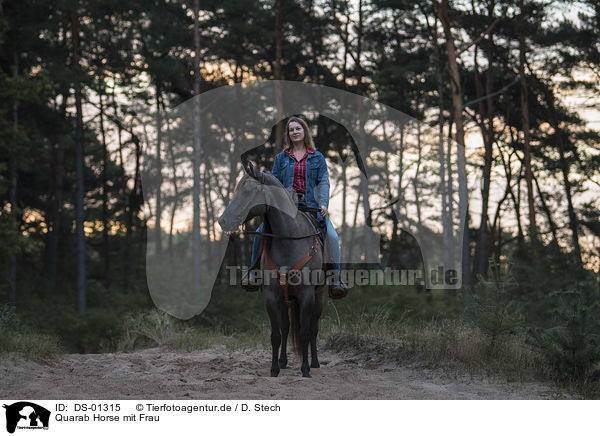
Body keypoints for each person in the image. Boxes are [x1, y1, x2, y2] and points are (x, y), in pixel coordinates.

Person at [242, 116, 348, 299]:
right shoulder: (282, 158)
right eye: (291, 130)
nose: (295, 132)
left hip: (312, 208)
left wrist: (323, 203)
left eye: (298, 128)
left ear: (304, 131)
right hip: (286, 208)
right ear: (288, 134)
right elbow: (274, 183)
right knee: (260, 232)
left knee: (331, 235)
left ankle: (335, 278)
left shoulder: (317, 157)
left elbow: (324, 181)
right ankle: (253, 272)